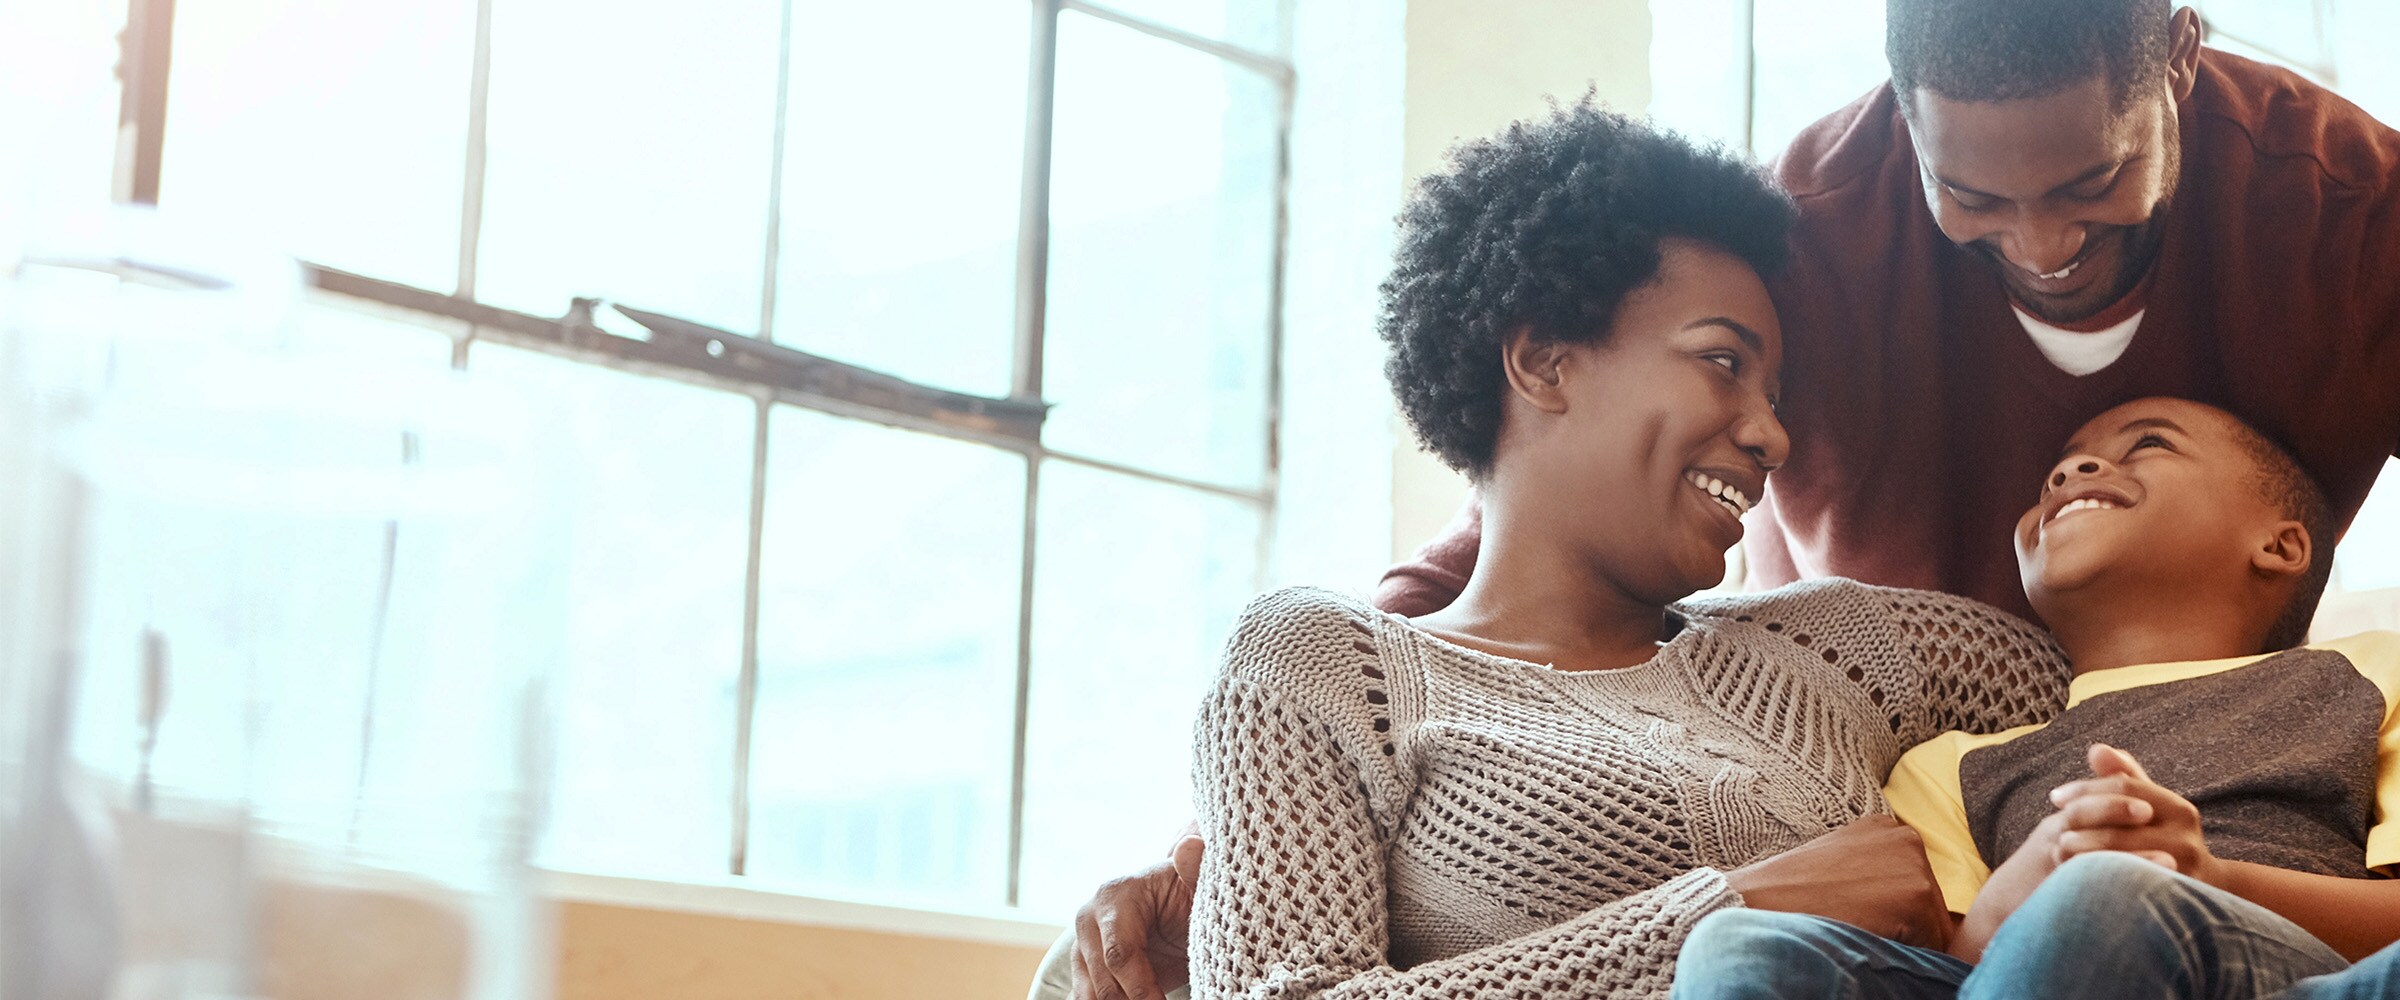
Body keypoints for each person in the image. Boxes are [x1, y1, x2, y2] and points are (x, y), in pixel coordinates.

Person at [1046, 101, 2074, 1000]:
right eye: (1724, 362)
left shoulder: (1842, 644)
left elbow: (2133, 678)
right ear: (1542, 360)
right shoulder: (1321, 662)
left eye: (1776, 396)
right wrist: (1728, 911)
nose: (1772, 435)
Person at [1383, 0, 2400, 625]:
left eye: (2096, 180)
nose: (2042, 247)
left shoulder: (2355, 217)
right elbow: (1555, 488)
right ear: (1903, 110)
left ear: (2180, 58)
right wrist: (1349, 682)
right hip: (1860, 774)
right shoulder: (1808, 230)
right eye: (1973, 197)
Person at [1670, 397, 2400, 999]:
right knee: (1741, 949)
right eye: (2056, 469)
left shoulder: (2366, 672)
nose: (2069, 472)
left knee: (2105, 897)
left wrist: (2213, 878)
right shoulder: (1952, 765)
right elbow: (1965, 968)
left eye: (2149, 444)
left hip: (2299, 975)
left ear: (2280, 547)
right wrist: (2018, 888)